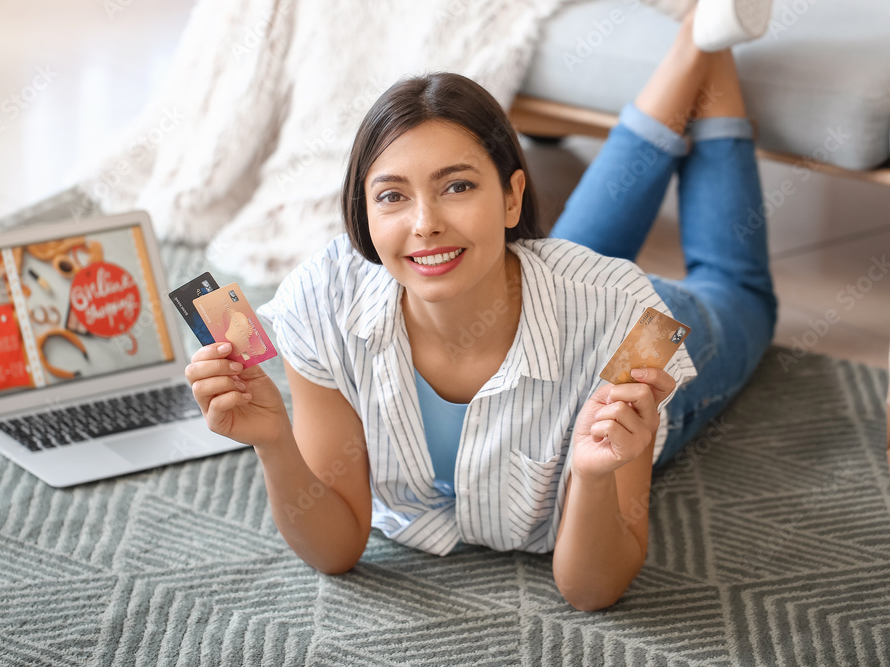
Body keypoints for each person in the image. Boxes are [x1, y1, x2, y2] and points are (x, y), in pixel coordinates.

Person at [184, 3, 776, 611]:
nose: (425, 224)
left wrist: (595, 475)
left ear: (513, 196)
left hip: (621, 322)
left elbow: (592, 590)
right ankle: (704, 31)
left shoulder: (629, 320)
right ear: (363, 213)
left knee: (739, 293)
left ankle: (704, 41)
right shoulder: (323, 304)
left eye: (458, 185)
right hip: (529, 273)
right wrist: (275, 440)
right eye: (392, 195)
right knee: (561, 255)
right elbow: (336, 549)